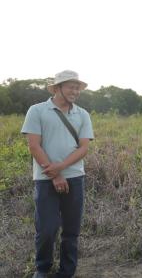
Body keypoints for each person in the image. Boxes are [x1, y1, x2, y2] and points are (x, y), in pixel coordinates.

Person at [21, 70, 94, 278]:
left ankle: (67, 272)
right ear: (57, 88)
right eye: (71, 86)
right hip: (45, 179)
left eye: (77, 87)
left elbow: (83, 148)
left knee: (71, 230)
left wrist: (61, 167)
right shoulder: (37, 111)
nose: (75, 91)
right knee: (47, 229)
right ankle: (42, 268)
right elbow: (34, 146)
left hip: (75, 178)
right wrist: (55, 174)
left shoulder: (82, 114)